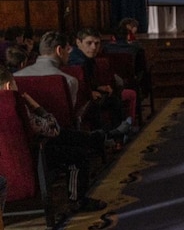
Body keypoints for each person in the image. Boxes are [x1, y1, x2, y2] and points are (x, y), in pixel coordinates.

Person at [0, 65, 107, 213]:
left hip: (8, 165)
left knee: (61, 137)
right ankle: (77, 200)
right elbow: (53, 128)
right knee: (76, 154)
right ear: (8, 86)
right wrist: (36, 106)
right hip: (32, 157)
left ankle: (95, 138)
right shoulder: (13, 105)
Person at [15, 31, 79, 108]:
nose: (69, 53)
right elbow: (68, 116)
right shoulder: (69, 81)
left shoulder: (15, 77)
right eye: (67, 49)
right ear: (59, 50)